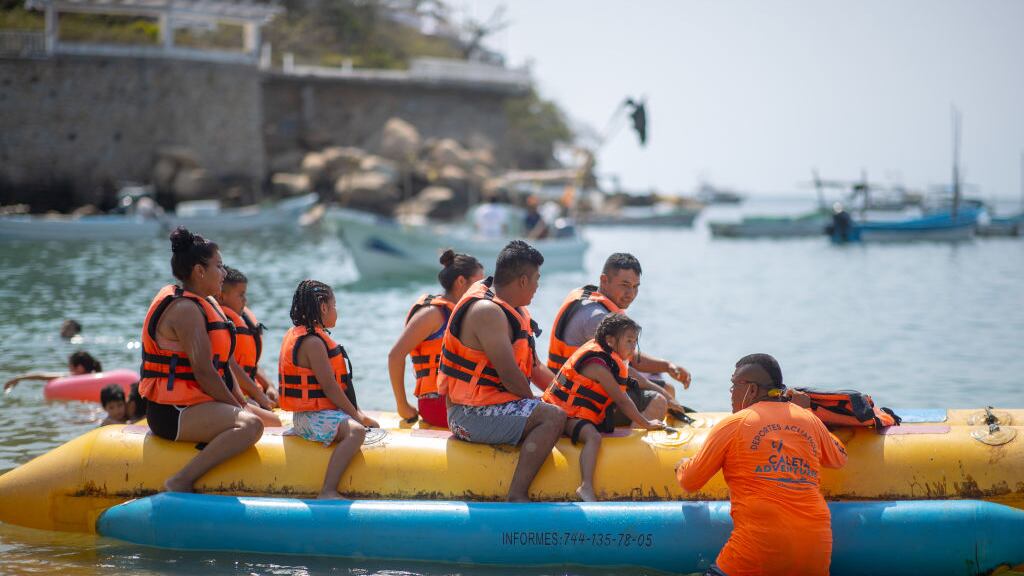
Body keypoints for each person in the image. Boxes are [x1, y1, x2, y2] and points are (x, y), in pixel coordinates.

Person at [676, 354, 848, 576]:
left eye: (734, 384)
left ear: (752, 390)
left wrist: (681, 466)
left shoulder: (734, 423)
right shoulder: (810, 421)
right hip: (815, 552)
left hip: (756, 554)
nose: (731, 392)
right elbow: (840, 457)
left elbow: (690, 481)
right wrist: (807, 413)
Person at [437, 240, 567, 502]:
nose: (538, 287)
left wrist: (566, 395)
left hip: (493, 406)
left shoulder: (515, 310)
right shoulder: (487, 312)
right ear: (522, 281)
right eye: (536, 280)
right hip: (467, 416)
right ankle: (517, 494)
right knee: (552, 418)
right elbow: (510, 377)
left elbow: (534, 368)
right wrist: (544, 408)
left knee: (561, 409)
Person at [139, 227, 264, 493]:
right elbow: (205, 372)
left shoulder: (206, 304)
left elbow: (223, 367)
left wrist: (242, 401)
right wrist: (239, 410)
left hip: (195, 405)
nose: (224, 273)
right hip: (172, 412)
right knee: (251, 424)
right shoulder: (185, 309)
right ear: (199, 271)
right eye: (218, 266)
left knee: (260, 417)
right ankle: (181, 480)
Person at [546, 252, 691, 425]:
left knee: (668, 389)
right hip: (578, 400)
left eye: (636, 287)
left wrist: (667, 366)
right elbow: (623, 369)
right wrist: (661, 393)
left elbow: (629, 357)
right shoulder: (597, 318)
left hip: (585, 387)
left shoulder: (594, 302)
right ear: (604, 280)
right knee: (659, 400)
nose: (631, 293)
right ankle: (632, 446)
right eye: (625, 285)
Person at [542, 313, 665, 501]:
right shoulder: (597, 366)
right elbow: (622, 400)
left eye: (635, 341)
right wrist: (646, 423)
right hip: (566, 415)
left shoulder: (610, 359)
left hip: (582, 413)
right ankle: (586, 486)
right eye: (629, 341)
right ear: (610, 341)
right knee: (593, 437)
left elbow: (629, 386)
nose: (633, 346)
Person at [279, 279, 380, 499]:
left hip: (313, 414)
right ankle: (328, 490)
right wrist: (357, 417)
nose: (336, 311)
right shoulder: (313, 343)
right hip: (311, 417)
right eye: (334, 306)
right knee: (356, 432)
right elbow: (331, 388)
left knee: (364, 424)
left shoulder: (303, 335)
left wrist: (357, 413)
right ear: (323, 308)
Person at [387, 249, 484, 427]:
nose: (484, 290)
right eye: (479, 283)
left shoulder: (465, 312)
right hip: (438, 404)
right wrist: (403, 406)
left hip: (464, 399)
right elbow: (395, 356)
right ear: (461, 281)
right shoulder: (433, 314)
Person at [216, 266, 281, 426]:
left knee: (279, 401)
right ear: (221, 297)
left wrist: (269, 386)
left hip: (250, 391)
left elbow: (250, 364)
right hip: (235, 395)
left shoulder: (242, 319)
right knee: (275, 422)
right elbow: (231, 366)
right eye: (241, 295)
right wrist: (259, 395)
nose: (245, 300)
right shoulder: (220, 323)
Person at [3, 351, 102, 392]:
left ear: (80, 368)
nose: (69, 369)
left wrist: (19, 378)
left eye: (70, 366)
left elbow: (43, 376)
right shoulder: (99, 378)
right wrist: (20, 378)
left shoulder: (71, 378)